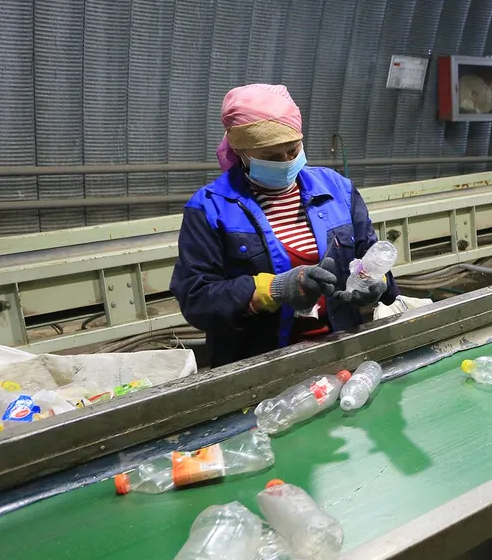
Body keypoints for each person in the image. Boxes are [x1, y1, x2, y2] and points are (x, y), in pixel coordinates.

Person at [170, 84, 398, 367]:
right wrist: (273, 290)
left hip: (340, 349)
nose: (287, 162)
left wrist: (378, 282)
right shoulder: (209, 208)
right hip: (260, 363)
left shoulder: (338, 189)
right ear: (240, 152)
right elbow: (196, 299)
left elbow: (370, 256)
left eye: (293, 150)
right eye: (271, 157)